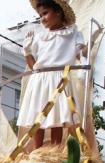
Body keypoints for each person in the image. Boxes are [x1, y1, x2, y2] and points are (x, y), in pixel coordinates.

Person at [17, 0, 85, 149]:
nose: (42, 18)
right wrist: (27, 51)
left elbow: (81, 54)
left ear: (59, 12)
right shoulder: (40, 36)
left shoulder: (73, 33)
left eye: (45, 13)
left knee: (57, 118)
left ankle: (54, 152)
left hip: (60, 79)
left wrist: (88, 46)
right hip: (40, 80)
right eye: (40, 15)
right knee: (38, 117)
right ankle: (37, 152)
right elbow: (34, 66)